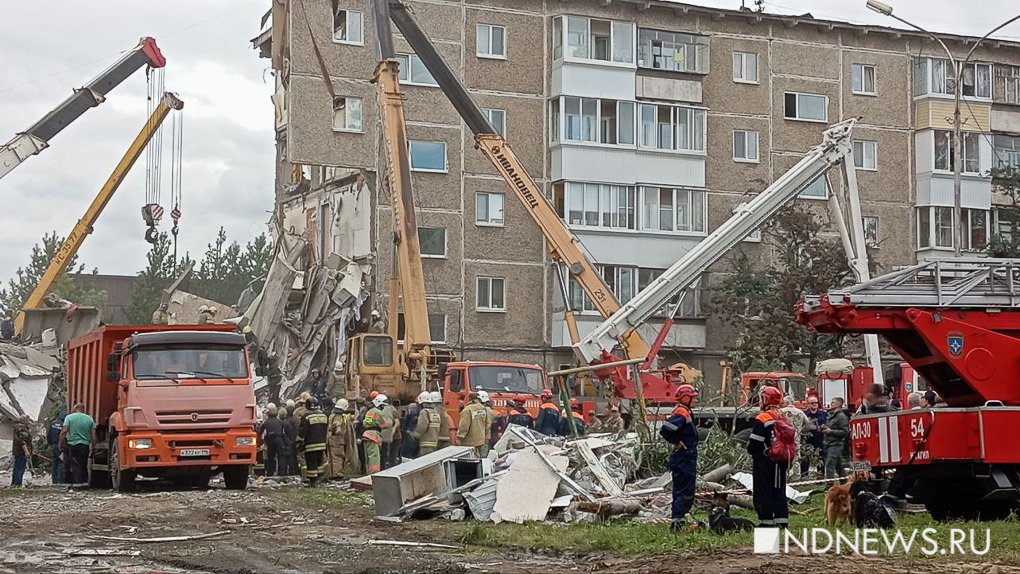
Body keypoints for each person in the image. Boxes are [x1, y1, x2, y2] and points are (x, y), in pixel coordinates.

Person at [747, 386, 789, 528]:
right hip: (781, 460)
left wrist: (750, 450)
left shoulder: (763, 417)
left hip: (764, 461)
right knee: (779, 490)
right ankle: (782, 521)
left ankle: (766, 522)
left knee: (763, 491)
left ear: (764, 399)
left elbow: (755, 442)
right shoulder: (782, 416)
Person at [659, 384, 700, 532]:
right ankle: (678, 522)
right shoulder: (681, 412)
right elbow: (666, 429)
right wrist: (676, 442)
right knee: (683, 490)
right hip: (684, 457)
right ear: (685, 398)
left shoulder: (686, 412)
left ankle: (681, 519)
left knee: (685, 489)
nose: (696, 400)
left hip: (686, 456)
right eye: (693, 397)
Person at [60, 402, 97, 487]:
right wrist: (94, 446)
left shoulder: (69, 418)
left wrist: (61, 443)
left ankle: (77, 484)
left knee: (74, 465)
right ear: (83, 409)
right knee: (83, 464)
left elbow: (64, 431)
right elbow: (93, 434)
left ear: (74, 408)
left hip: (72, 444)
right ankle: (84, 483)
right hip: (85, 445)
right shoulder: (89, 419)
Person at [297, 397, 329, 486]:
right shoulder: (324, 416)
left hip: (310, 445)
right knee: (319, 462)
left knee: (311, 463)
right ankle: (319, 479)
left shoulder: (306, 417)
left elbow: (303, 431)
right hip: (322, 444)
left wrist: (299, 441)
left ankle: (312, 482)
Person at [780, 396, 811, 478]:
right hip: (796, 439)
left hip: (783, 440)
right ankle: (796, 477)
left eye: (783, 403)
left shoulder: (781, 412)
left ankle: (784, 477)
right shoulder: (800, 412)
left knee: (783, 458)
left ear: (787, 403)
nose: (782, 404)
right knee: (796, 458)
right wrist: (800, 431)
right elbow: (808, 424)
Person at [327, 399, 358, 478]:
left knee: (333, 457)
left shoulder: (332, 415)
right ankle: (337, 474)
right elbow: (337, 429)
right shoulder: (338, 416)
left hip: (333, 440)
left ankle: (333, 473)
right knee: (337, 457)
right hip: (337, 440)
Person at [457, 391, 492, 458]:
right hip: (481, 440)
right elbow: (487, 424)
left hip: (469, 442)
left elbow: (464, 427)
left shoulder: (467, 410)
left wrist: (459, 439)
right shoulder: (483, 408)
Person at [362, 394, 390, 474]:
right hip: (373, 435)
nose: (383, 407)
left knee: (368, 456)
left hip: (366, 434)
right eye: (382, 405)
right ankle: (374, 473)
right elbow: (385, 424)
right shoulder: (378, 412)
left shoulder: (370, 411)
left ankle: (368, 472)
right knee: (374, 456)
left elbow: (364, 423)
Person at [800, 396, 827, 477]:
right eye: (812, 403)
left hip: (820, 440)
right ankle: (804, 477)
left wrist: (824, 427)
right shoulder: (804, 414)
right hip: (807, 441)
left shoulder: (823, 414)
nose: (814, 404)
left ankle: (820, 477)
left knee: (821, 459)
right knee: (805, 459)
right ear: (808, 404)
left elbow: (828, 424)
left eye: (816, 403)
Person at [823, 397, 849, 478]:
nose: (831, 404)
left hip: (836, 444)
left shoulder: (841, 417)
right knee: (839, 466)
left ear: (838, 404)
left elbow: (845, 432)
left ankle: (829, 485)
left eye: (833, 402)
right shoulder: (831, 416)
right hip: (829, 443)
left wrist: (830, 431)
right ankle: (844, 482)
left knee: (829, 464)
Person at [401, 392, 428, 459]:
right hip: (417, 435)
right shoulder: (426, 411)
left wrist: (403, 429)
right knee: (414, 455)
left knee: (407, 455)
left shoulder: (412, 407)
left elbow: (406, 419)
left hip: (411, 433)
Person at [260, 404, 285, 476]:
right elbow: (283, 433)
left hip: (270, 441)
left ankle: (270, 473)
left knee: (270, 458)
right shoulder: (280, 422)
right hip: (279, 440)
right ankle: (282, 473)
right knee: (281, 457)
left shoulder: (266, 422)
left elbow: (260, 432)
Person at [11, 416, 33, 487]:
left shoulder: (17, 428)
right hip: (21, 451)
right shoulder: (22, 429)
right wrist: (26, 451)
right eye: (27, 420)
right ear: (24, 421)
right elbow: (23, 441)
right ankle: (17, 483)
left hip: (17, 451)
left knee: (16, 467)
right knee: (20, 467)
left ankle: (14, 483)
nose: (28, 422)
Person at [47, 408, 67, 484]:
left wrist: (50, 444)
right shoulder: (64, 425)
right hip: (60, 446)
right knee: (62, 462)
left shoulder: (53, 423)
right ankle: (61, 480)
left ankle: (54, 481)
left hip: (53, 445)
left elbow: (48, 435)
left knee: (55, 463)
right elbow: (64, 435)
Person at [381, 398, 402, 469]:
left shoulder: (392, 410)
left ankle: (391, 469)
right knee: (387, 455)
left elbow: (397, 423)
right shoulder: (389, 410)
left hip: (395, 437)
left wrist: (392, 432)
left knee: (392, 455)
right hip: (389, 437)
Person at [279, 407, 298, 476]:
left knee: (282, 457)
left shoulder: (279, 423)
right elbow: (290, 433)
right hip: (288, 442)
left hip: (282, 442)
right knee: (290, 457)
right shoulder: (288, 423)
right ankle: (291, 471)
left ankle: (282, 472)